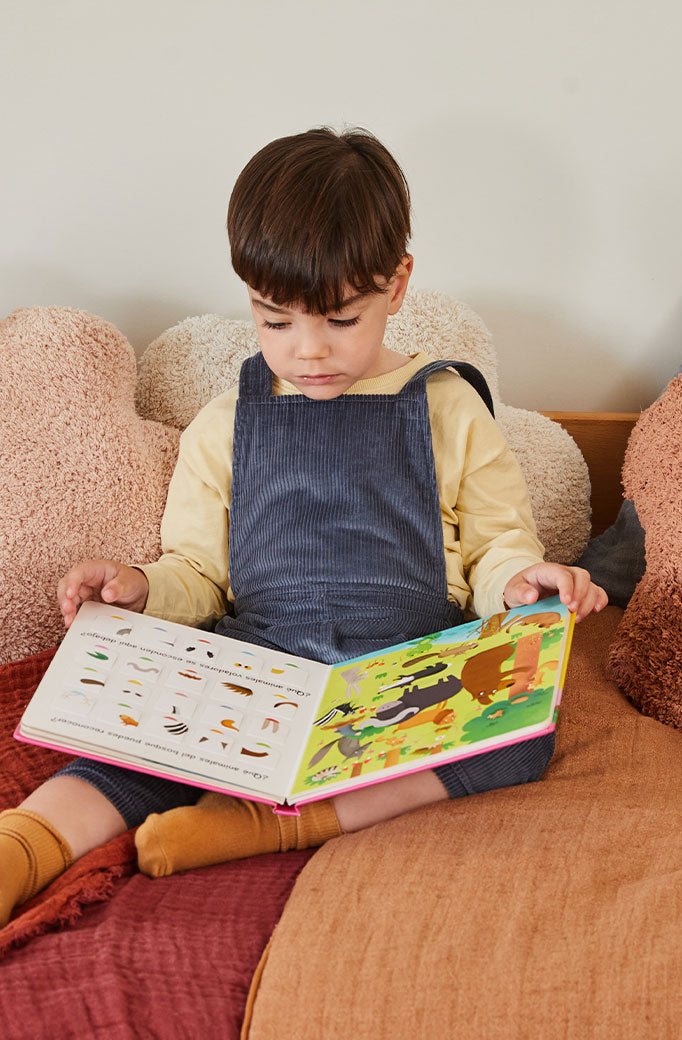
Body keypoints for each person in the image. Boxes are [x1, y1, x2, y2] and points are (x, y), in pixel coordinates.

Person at [0, 127, 606, 926]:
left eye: (340, 319)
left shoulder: (450, 407)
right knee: (133, 741)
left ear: (397, 285)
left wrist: (523, 584)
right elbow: (198, 575)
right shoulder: (225, 424)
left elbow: (498, 550)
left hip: (403, 671)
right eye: (275, 321)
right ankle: (26, 844)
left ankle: (280, 823)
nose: (309, 352)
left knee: (520, 733)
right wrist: (140, 587)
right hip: (258, 664)